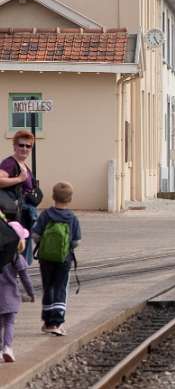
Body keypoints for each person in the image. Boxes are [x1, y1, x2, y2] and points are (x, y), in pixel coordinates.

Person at [31, 182, 81, 335]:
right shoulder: (72, 217)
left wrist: (45, 245)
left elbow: (35, 235)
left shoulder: (46, 214)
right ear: (70, 199)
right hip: (63, 258)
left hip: (45, 258)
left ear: (53, 196)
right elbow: (76, 241)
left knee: (48, 286)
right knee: (61, 287)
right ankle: (57, 323)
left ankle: (47, 322)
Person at [0, 130, 38, 264]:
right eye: (21, 145)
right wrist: (19, 178)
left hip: (25, 213)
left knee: (23, 247)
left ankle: (20, 276)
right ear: (14, 146)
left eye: (28, 146)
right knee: (16, 247)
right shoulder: (9, 163)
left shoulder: (24, 165)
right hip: (13, 213)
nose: (25, 148)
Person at [0, 221, 35, 362]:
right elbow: (25, 278)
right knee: (9, 323)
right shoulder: (15, 257)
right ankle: (7, 347)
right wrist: (31, 293)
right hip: (10, 297)